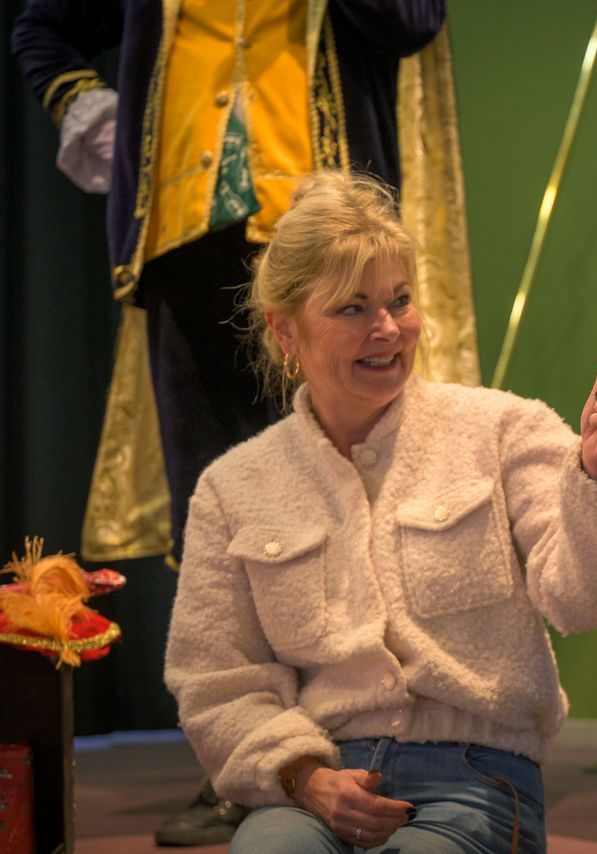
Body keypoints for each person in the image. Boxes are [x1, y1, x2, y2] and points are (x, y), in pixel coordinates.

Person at [12, 3, 448, 842]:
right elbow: (42, 25)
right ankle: (249, 763)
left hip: (325, 247)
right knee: (214, 515)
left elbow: (413, 20)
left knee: (349, 496)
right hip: (185, 243)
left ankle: (374, 744)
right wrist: (99, 115)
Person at [163, 170, 597, 852]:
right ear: (285, 330)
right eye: (353, 309)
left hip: (480, 778)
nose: (388, 329)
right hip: (315, 786)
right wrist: (305, 778)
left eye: (400, 300)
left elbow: (589, 598)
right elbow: (215, 681)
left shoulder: (502, 429)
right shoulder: (233, 486)